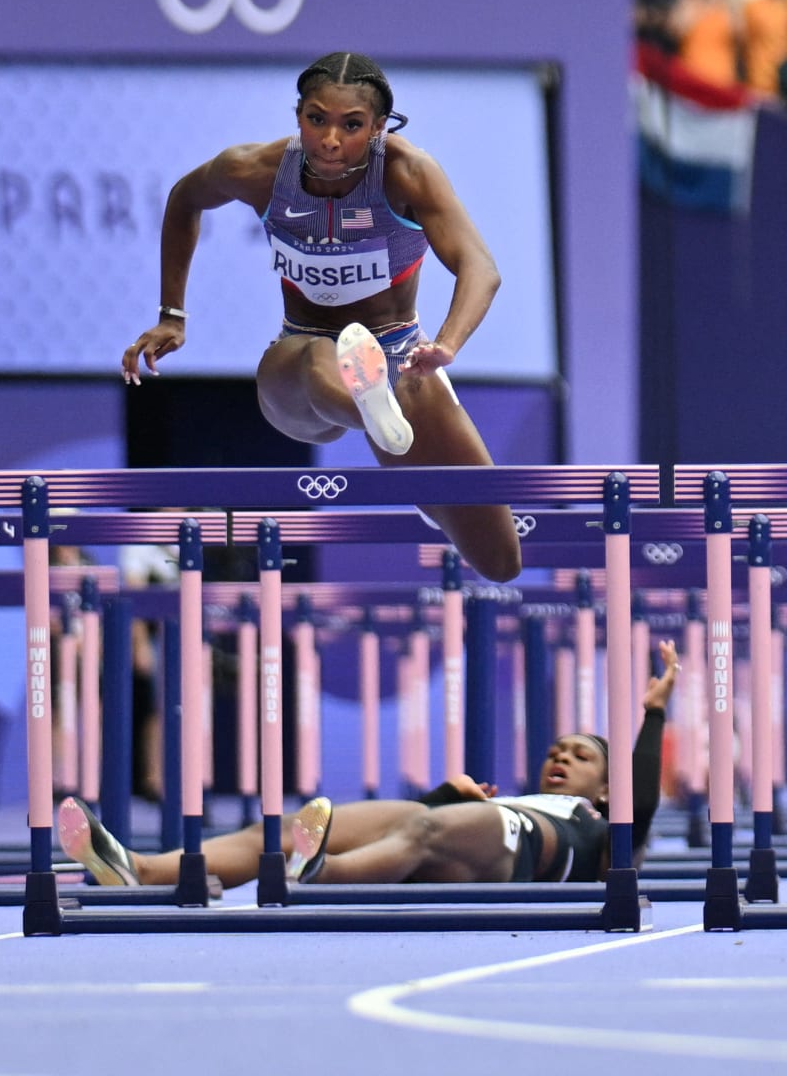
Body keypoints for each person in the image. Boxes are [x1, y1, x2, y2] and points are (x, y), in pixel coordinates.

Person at [119, 52, 523, 583]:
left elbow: (480, 267)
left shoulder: (408, 173)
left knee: (499, 560)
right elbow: (184, 198)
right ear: (298, 117)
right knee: (316, 359)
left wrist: (445, 345)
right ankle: (380, 422)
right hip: (299, 358)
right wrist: (172, 314)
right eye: (316, 119)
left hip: (402, 355)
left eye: (352, 125)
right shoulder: (260, 170)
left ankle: (394, 434)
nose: (330, 140)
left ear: (378, 128)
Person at [59, 640, 680, 887]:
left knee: (423, 827)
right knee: (285, 828)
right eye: (555, 751)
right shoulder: (510, 799)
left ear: (607, 787)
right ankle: (140, 867)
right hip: (466, 845)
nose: (560, 758)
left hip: (527, 850)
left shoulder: (607, 831)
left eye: (580, 756)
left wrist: (653, 713)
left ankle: (318, 878)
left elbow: (643, 798)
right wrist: (448, 793)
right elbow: (422, 827)